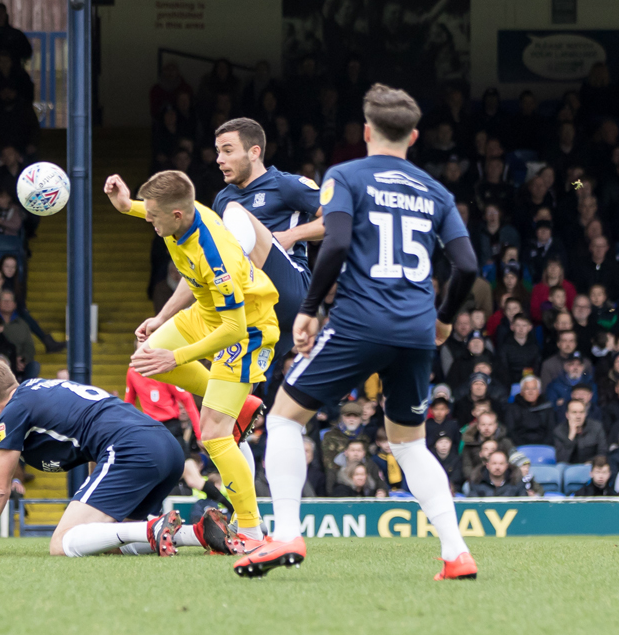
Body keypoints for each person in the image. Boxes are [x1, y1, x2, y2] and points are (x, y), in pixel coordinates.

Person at [244, 85, 478, 580]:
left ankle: (286, 533)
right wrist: (442, 318)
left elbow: (336, 243)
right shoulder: (436, 192)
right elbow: (467, 265)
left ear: (367, 131)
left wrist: (309, 309)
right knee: (409, 444)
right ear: (414, 136)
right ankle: (457, 554)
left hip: (360, 321)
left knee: (284, 418)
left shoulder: (346, 175)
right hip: (416, 329)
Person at [104, 170, 272, 547]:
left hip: (248, 330)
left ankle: (251, 530)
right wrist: (125, 205)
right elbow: (189, 273)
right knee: (145, 357)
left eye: (152, 216)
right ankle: (239, 405)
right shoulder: (178, 219)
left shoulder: (215, 253)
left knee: (213, 434)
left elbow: (233, 328)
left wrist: (176, 357)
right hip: (206, 313)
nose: (148, 220)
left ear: (176, 215)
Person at [0, 361, 240, 559]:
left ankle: (152, 527)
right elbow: (94, 443)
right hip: (167, 446)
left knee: (61, 543)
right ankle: (197, 533)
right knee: (108, 542)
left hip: (131, 447)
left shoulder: (14, 408)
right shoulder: (44, 388)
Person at [210, 117, 323, 381]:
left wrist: (293, 235)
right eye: (218, 152)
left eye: (227, 151)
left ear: (254, 152)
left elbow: (342, 217)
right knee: (231, 385)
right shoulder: (222, 198)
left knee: (235, 213)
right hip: (258, 309)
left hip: (290, 289)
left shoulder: (286, 184)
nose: (219, 160)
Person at [505, 376, 555, 448]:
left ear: (539, 392)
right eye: (527, 389)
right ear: (521, 392)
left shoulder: (547, 407)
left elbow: (551, 431)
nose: (530, 392)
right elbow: (511, 431)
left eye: (534, 389)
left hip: (543, 446)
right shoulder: (512, 408)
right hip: (519, 447)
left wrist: (542, 447)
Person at [553, 399, 607, 465]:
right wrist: (571, 436)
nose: (578, 416)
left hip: (591, 466)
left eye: (581, 412)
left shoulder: (596, 427)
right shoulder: (559, 431)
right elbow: (561, 460)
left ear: (586, 414)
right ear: (567, 415)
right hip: (568, 467)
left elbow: (602, 452)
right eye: (574, 412)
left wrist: (591, 462)